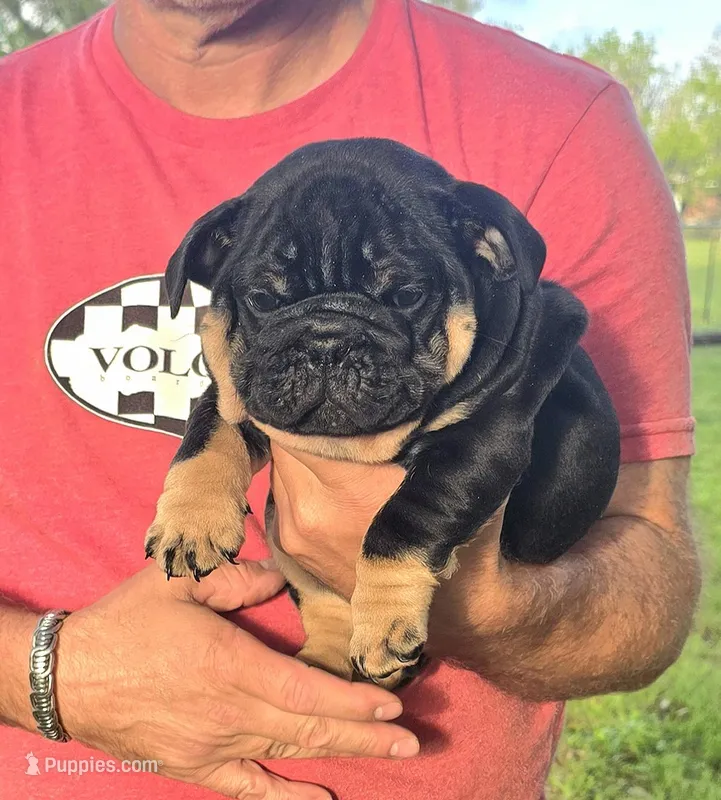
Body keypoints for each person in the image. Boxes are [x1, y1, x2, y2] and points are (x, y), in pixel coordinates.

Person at [0, 1, 701, 798]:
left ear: (489, 252)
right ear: (210, 263)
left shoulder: (557, 118)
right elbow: (225, 406)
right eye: (272, 303)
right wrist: (53, 676)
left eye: (398, 297)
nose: (329, 350)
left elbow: (644, 587)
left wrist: (459, 600)